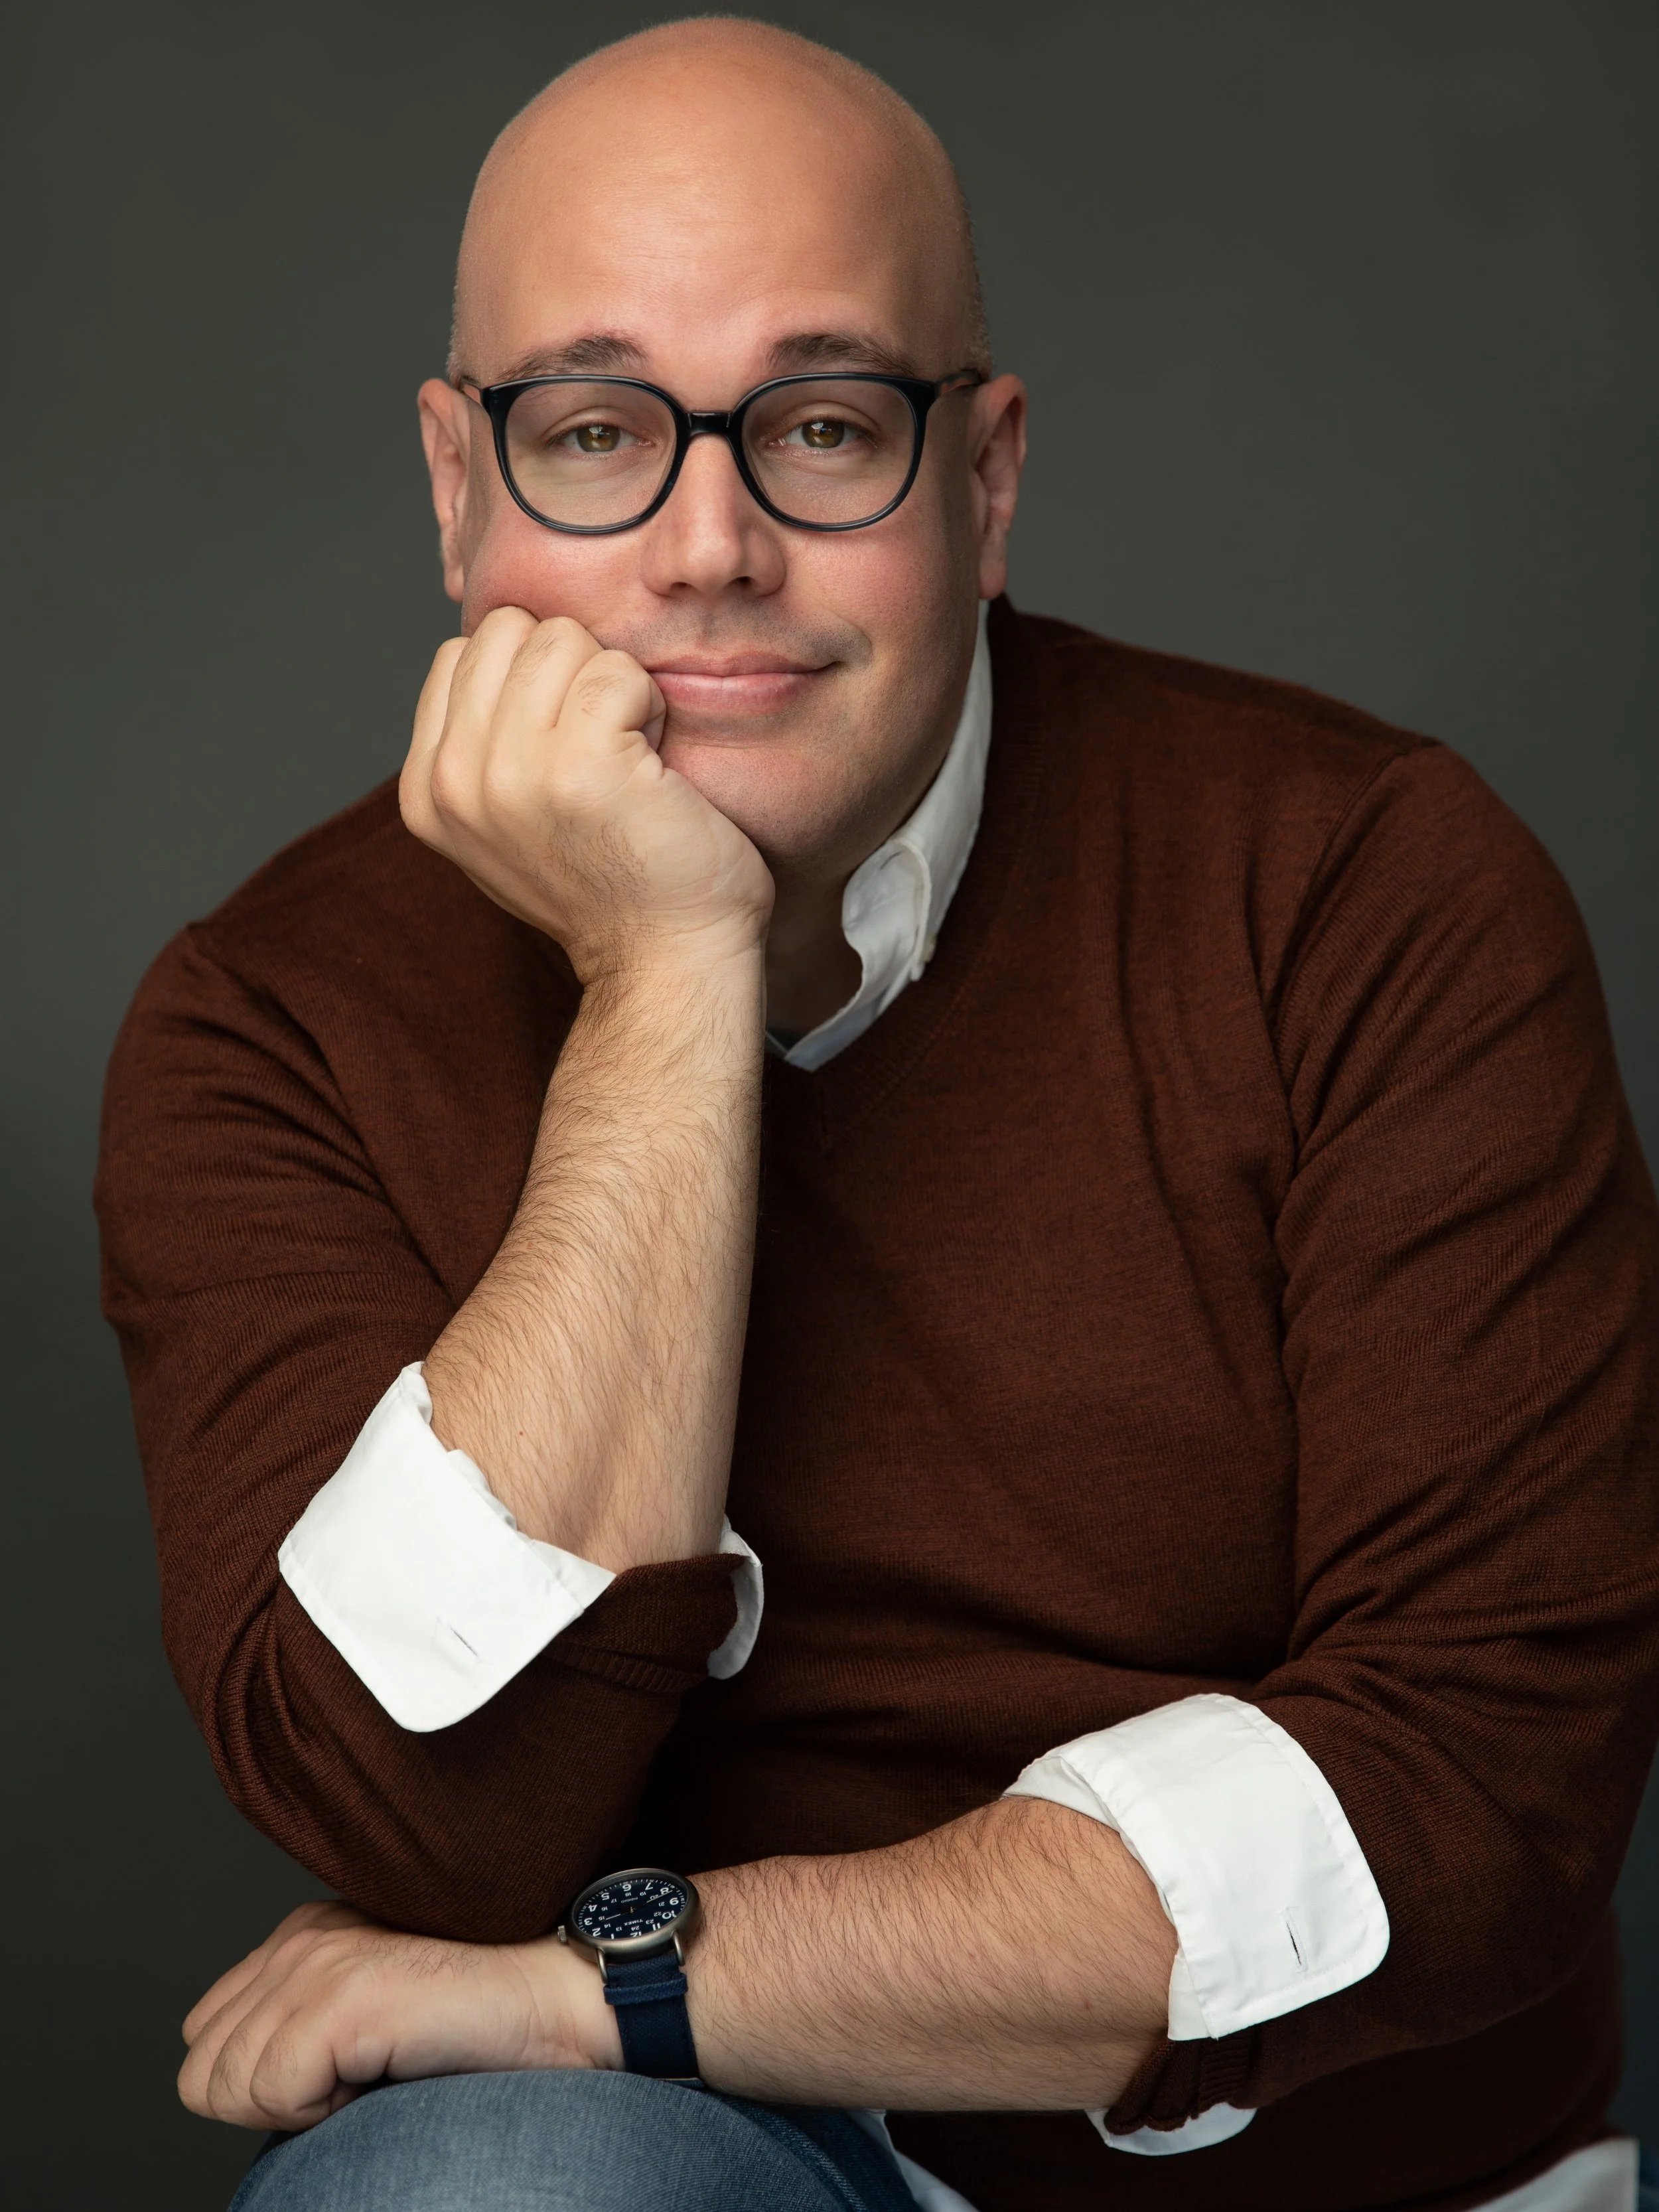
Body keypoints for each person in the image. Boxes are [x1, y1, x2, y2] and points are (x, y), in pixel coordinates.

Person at [96, 18, 1659, 2212]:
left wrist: (615, 1985)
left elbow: (1475, 1782)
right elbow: (424, 1817)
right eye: (592, 430)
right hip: (691, 2165)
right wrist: (663, 980)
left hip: (1366, 2174)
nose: (707, 543)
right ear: (459, 492)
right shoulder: (268, 1020)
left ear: (987, 478)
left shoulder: (1358, 883)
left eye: (824, 423)